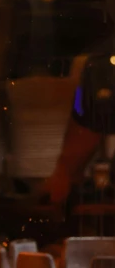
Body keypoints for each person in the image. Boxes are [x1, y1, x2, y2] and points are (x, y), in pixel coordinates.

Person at [44, 53, 115, 204]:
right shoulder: (98, 66)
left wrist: (64, 173)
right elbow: (84, 113)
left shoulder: (100, 66)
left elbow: (85, 126)